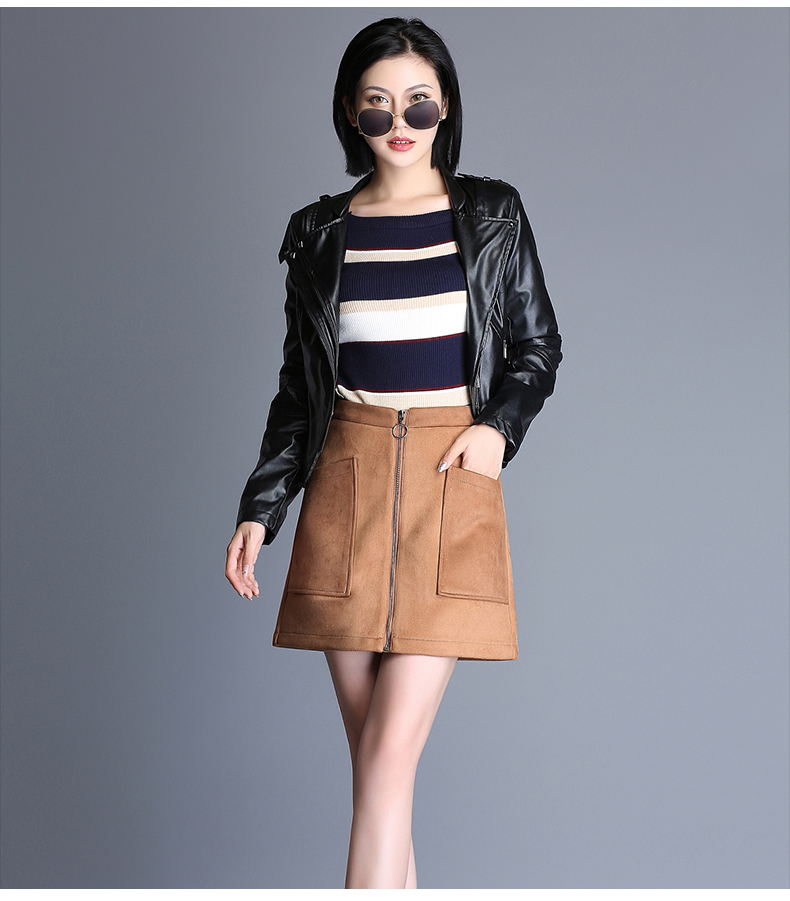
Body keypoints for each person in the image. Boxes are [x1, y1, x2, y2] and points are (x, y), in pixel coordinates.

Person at [225, 17, 562, 889]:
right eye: (377, 106)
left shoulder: (491, 213)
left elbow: (537, 347)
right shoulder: (319, 232)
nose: (399, 123)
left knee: (384, 768)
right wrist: (261, 508)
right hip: (345, 490)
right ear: (349, 112)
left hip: (450, 487)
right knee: (381, 777)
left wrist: (496, 430)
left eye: (418, 103)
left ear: (446, 106)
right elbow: (299, 389)